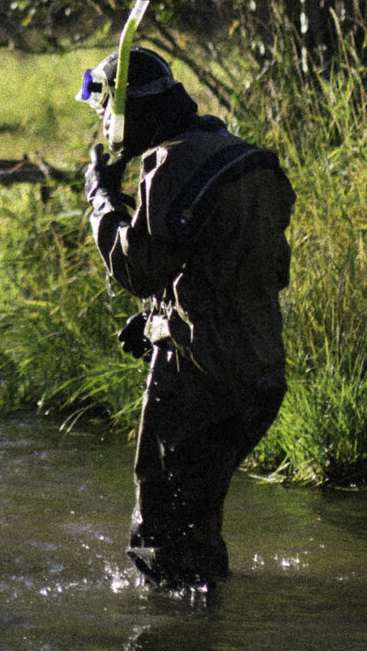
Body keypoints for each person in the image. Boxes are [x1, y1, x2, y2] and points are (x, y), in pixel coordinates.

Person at [80, 46, 292, 591]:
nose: (102, 124)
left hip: (201, 378)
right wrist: (155, 320)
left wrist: (102, 199)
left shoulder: (168, 163)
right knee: (196, 527)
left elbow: (139, 268)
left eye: (102, 109)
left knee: (162, 541)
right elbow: (232, 270)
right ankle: (204, 633)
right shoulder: (237, 155)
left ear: (125, 109)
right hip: (260, 374)